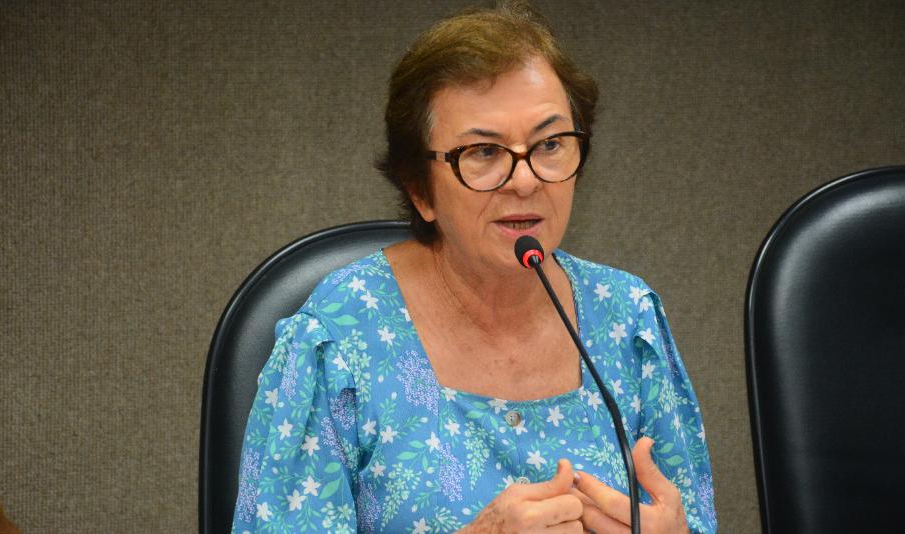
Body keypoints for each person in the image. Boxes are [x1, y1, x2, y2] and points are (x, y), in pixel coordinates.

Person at [231, 2, 716, 532]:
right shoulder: (338, 340)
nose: (525, 181)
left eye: (550, 144)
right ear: (420, 189)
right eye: (484, 152)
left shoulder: (630, 319)